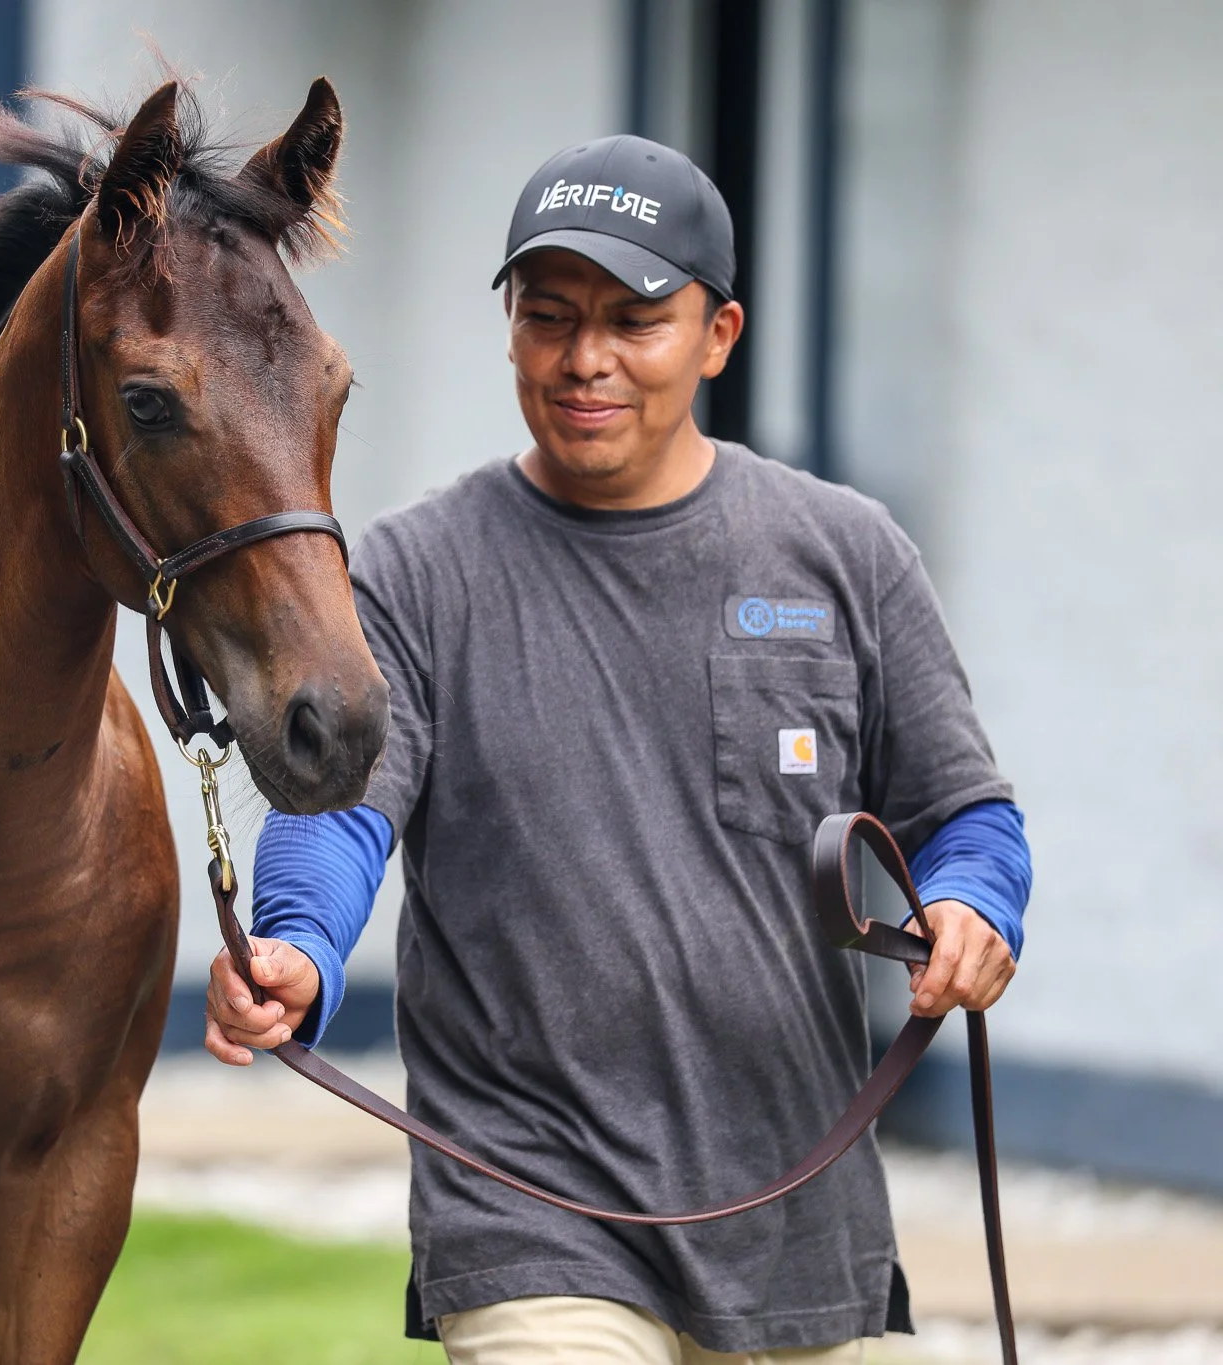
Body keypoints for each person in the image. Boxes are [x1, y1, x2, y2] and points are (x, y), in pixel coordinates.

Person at [202, 134, 1033, 1364]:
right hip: (532, 1213)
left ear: (718, 335)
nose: (583, 359)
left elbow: (969, 819)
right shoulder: (420, 570)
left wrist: (972, 906)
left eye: (633, 320)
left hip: (801, 1229)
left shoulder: (843, 555)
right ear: (509, 332)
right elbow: (342, 808)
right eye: (547, 317)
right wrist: (301, 948)